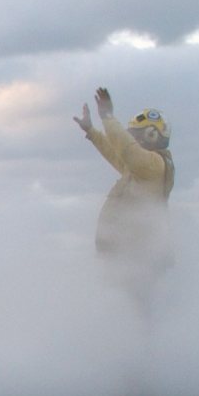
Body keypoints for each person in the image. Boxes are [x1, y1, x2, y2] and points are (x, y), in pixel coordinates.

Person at [75, 86, 175, 311]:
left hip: (138, 259)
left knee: (136, 312)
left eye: (136, 134)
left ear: (151, 135)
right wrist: (92, 131)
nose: (132, 138)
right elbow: (117, 154)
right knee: (130, 313)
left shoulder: (152, 165)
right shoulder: (142, 170)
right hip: (128, 258)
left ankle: (139, 344)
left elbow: (127, 150)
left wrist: (107, 117)